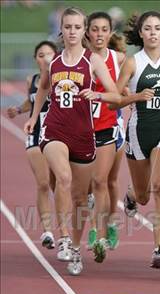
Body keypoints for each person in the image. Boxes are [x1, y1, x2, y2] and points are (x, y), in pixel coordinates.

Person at [24, 7, 121, 276]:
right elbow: (43, 87)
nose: (72, 32)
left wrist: (97, 96)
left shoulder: (93, 62)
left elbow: (115, 95)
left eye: (77, 27)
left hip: (83, 134)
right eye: (67, 27)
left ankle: (76, 248)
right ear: (61, 30)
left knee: (80, 197)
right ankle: (64, 237)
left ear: (84, 30)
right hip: (54, 129)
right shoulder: (53, 62)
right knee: (63, 178)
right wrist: (34, 117)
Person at [111, 11, 160, 269]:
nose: (153, 33)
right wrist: (135, 97)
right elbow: (114, 101)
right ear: (141, 33)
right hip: (138, 132)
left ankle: (158, 248)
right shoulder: (132, 63)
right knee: (144, 196)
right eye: (148, 28)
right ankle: (130, 194)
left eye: (157, 28)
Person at [7, 41, 58, 250]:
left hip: (58, 134)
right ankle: (47, 231)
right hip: (35, 133)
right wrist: (19, 110)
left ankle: (66, 228)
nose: (44, 58)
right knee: (43, 183)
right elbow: (32, 99)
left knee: (60, 183)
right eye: (40, 54)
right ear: (35, 58)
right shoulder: (32, 79)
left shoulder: (61, 77)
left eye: (48, 54)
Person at [84, 11, 126, 255]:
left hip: (112, 124)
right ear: (87, 32)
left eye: (104, 30)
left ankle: (110, 223)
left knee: (108, 180)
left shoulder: (118, 58)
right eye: (95, 29)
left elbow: (123, 88)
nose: (99, 34)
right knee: (92, 182)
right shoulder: (81, 59)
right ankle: (93, 229)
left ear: (110, 33)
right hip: (86, 126)